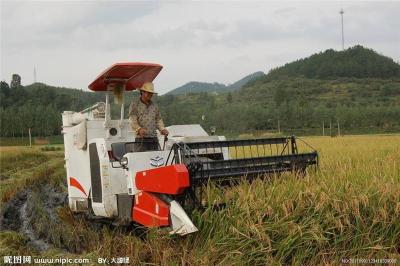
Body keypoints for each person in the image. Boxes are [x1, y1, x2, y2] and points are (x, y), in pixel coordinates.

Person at [128, 82, 169, 151]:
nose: (150, 95)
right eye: (148, 92)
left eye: (151, 93)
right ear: (142, 92)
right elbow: (132, 120)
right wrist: (139, 129)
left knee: (155, 159)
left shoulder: (154, 105)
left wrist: (162, 129)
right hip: (141, 138)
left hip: (153, 138)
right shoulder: (135, 104)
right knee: (141, 158)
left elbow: (158, 119)